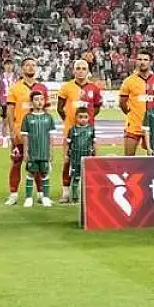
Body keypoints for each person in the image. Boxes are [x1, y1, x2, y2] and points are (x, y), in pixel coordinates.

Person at [57, 59, 103, 202]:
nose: (81, 71)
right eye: (78, 68)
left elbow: (96, 108)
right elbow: (60, 108)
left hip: (87, 132)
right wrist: (69, 121)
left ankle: (88, 190)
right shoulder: (66, 87)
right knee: (67, 160)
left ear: (88, 71)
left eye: (84, 68)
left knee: (90, 160)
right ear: (73, 70)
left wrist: (87, 121)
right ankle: (65, 191)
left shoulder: (94, 88)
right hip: (71, 131)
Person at [5, 58, 49, 205]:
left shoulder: (42, 87)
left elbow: (46, 110)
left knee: (39, 163)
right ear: (22, 68)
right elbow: (10, 111)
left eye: (33, 65)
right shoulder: (15, 88)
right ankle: (13, 194)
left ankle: (41, 193)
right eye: (27, 65)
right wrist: (12, 131)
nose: (30, 67)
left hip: (39, 133)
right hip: (20, 133)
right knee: (16, 162)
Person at [120, 48, 154, 156]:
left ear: (150, 62)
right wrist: (130, 113)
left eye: (145, 60)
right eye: (140, 59)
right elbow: (122, 103)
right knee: (129, 158)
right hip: (134, 125)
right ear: (136, 61)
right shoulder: (129, 81)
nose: (142, 62)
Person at [20, 90, 57, 207]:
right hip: (32, 152)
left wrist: (51, 151)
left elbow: (51, 136)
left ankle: (45, 198)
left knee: (45, 174)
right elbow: (25, 136)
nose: (39, 102)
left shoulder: (49, 118)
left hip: (44, 151)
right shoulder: (27, 118)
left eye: (41, 99)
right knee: (30, 173)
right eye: (36, 100)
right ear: (31, 103)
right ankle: (28, 198)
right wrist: (25, 152)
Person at [67, 107, 97, 201]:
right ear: (76, 117)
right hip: (75, 158)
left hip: (87, 158)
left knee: (88, 177)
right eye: (80, 117)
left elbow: (94, 143)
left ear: (89, 118)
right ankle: (75, 197)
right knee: (75, 177)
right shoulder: (72, 130)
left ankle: (88, 196)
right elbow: (68, 144)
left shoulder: (91, 129)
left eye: (85, 117)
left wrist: (95, 155)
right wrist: (66, 155)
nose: (83, 119)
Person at [0, 59, 17, 147]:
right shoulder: (0, 77)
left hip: (14, 101)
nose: (9, 66)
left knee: (15, 122)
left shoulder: (16, 76)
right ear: (4, 66)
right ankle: (4, 140)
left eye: (10, 64)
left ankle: (14, 139)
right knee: (5, 122)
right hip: (4, 101)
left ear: (13, 66)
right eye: (7, 64)